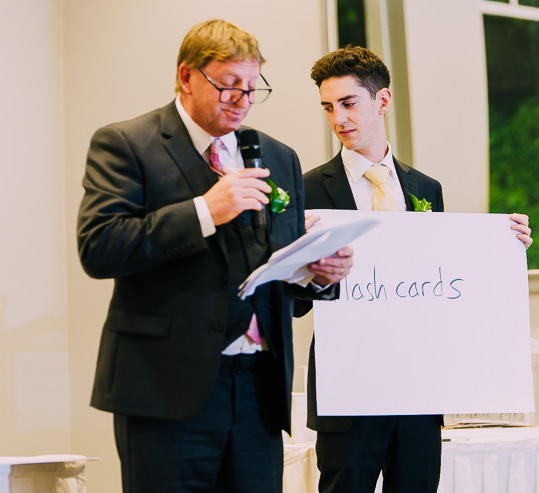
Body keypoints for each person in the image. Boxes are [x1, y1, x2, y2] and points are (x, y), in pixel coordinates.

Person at [76, 19, 352, 493]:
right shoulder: (127, 144)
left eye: (251, 88)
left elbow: (278, 277)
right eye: (228, 86)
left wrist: (317, 275)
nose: (241, 101)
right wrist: (206, 209)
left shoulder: (277, 157)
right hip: (166, 388)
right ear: (186, 77)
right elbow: (101, 247)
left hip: (259, 388)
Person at [300, 45, 533, 493]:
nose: (338, 119)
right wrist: (304, 260)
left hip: (418, 388)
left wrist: (505, 246)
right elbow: (293, 303)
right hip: (347, 387)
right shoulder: (309, 189)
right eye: (328, 108)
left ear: (382, 101)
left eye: (348, 103)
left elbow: (443, 281)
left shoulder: (426, 188)